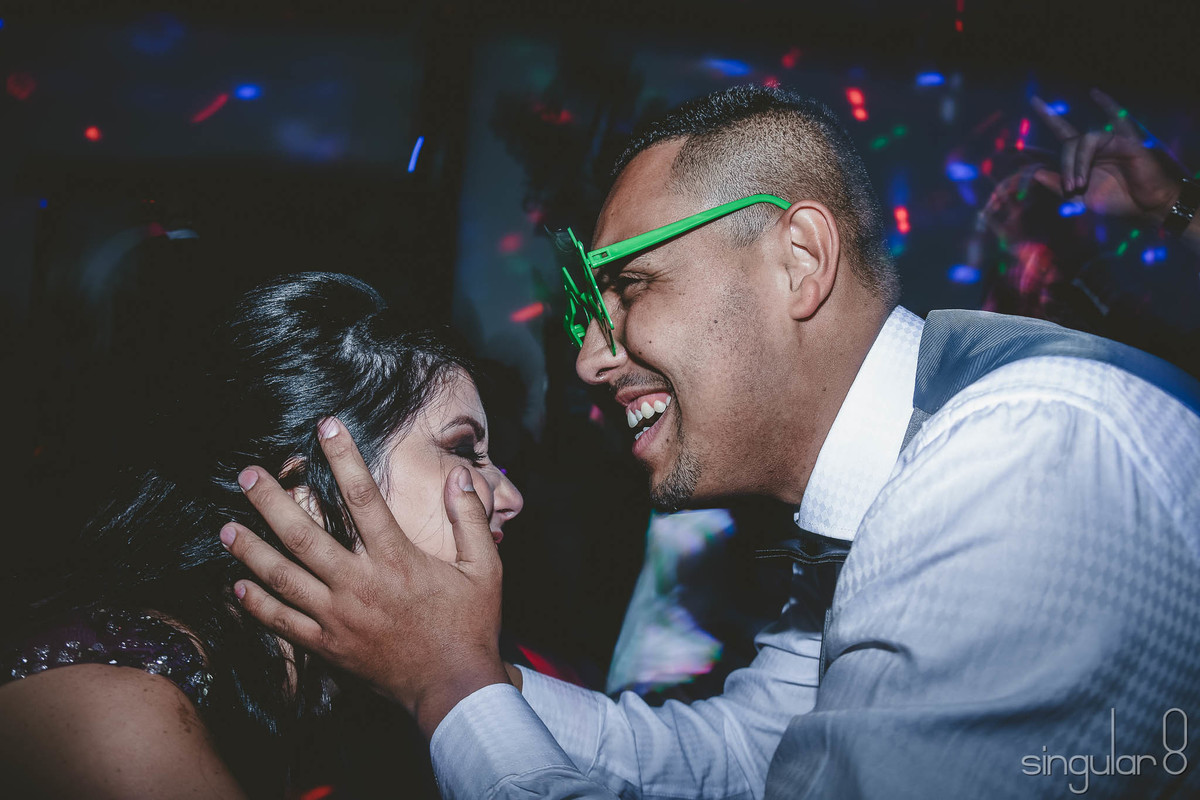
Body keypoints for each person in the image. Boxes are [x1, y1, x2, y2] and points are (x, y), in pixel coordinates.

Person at [223, 87, 1200, 798]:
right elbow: (742, 759)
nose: (588, 361)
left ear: (800, 261)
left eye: (632, 287)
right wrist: (459, 661)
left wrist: (451, 686)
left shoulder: (1018, 466)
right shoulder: (892, 488)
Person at [0, 272, 523, 798]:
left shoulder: (328, 701)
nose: (509, 497)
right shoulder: (118, 710)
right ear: (307, 495)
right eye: (462, 450)